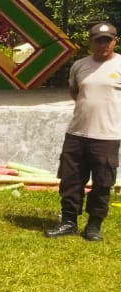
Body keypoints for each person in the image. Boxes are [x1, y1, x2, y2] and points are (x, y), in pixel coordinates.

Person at [44, 21, 121, 242]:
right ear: (91, 42)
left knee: (102, 183)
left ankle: (94, 226)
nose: (102, 45)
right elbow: (75, 93)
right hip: (76, 134)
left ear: (115, 41)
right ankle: (68, 222)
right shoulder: (79, 66)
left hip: (107, 136)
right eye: (98, 41)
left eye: (107, 41)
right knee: (70, 180)